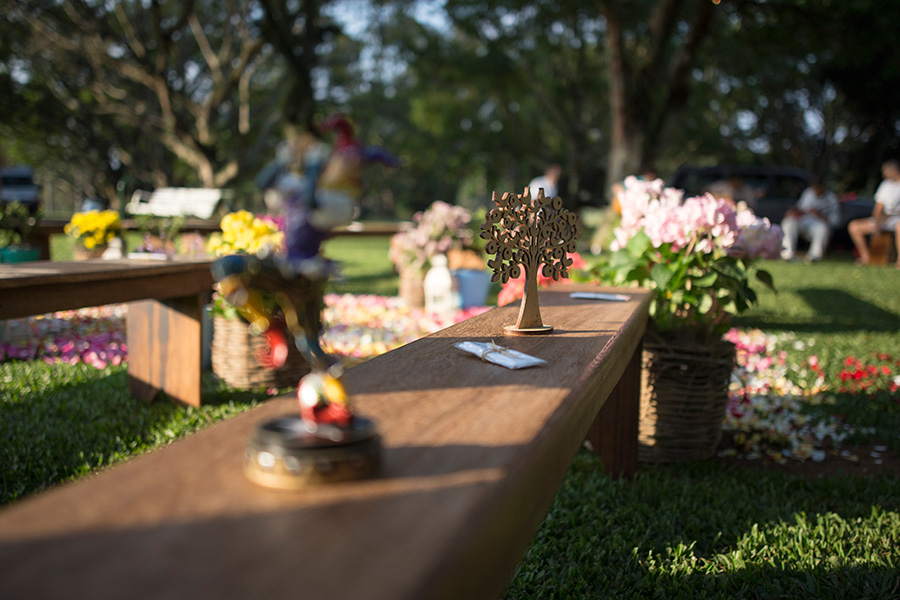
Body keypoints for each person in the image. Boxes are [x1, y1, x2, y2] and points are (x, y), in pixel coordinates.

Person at [848, 159, 900, 266]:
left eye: (885, 171)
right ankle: (866, 257)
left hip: (898, 219)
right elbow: (879, 207)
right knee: (854, 226)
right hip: (885, 219)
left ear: (894, 170)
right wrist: (877, 222)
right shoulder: (885, 185)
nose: (883, 174)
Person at [780, 179, 840, 262]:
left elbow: (835, 222)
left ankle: (814, 256)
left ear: (823, 187)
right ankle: (787, 253)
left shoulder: (832, 199)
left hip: (817, 225)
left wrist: (819, 215)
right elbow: (800, 207)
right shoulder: (808, 193)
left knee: (822, 228)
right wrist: (793, 212)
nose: (815, 191)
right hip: (803, 222)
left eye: (817, 188)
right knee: (788, 222)